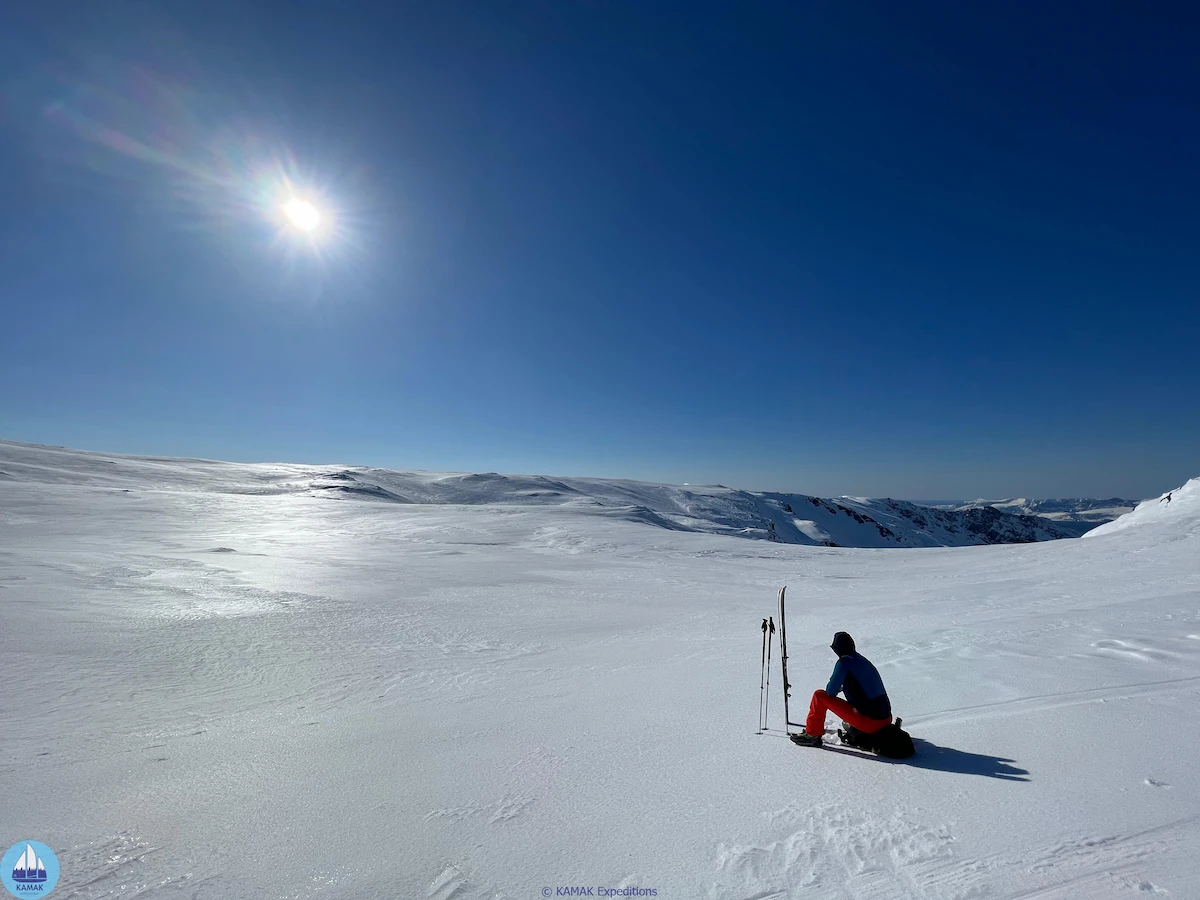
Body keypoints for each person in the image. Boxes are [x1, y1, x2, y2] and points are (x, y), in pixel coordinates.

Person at [792, 632, 892, 746]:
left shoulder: (844, 663)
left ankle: (812, 734)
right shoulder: (861, 660)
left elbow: (830, 692)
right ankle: (855, 726)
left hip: (870, 722)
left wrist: (840, 684)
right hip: (886, 719)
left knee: (819, 696)